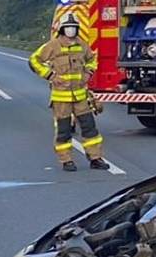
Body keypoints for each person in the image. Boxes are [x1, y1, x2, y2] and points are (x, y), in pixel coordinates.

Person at [29, 11, 109, 171]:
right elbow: (33, 60)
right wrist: (50, 75)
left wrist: (89, 72)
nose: (71, 30)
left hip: (80, 97)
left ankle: (95, 158)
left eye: (74, 27)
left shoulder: (82, 45)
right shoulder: (52, 46)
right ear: (62, 29)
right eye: (68, 27)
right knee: (64, 131)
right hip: (61, 98)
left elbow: (93, 59)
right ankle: (66, 160)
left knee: (90, 129)